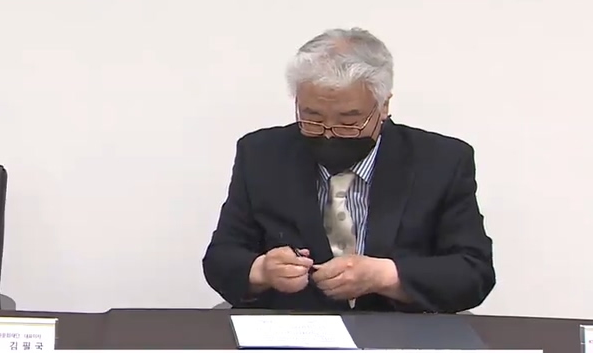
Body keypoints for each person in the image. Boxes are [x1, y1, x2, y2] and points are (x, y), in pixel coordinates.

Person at [203, 28, 494, 313]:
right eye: (312, 117)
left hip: (402, 329)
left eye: (348, 121)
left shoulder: (442, 161)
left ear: (383, 106)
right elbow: (221, 259)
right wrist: (261, 271)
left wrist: (386, 276)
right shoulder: (262, 155)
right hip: (295, 327)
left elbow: (474, 272)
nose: (329, 133)